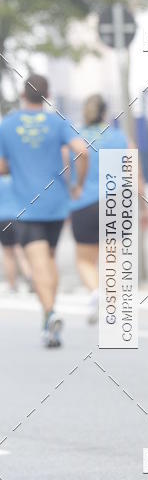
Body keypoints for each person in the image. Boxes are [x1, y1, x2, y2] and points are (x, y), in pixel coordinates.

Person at [0, 75, 89, 347]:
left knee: (39, 263)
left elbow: (2, 167)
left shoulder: (8, 125)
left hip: (25, 206)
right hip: (57, 205)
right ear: (47, 95)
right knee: (48, 260)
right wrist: (77, 185)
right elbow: (83, 152)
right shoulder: (58, 122)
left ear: (22, 94)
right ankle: (48, 320)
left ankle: (50, 313)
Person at [70, 94, 129, 323]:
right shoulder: (118, 137)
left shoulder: (76, 138)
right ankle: (112, 307)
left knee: (85, 259)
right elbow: (131, 171)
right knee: (111, 255)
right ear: (105, 113)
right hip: (114, 201)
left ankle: (95, 292)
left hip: (83, 202)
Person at [0, 174, 31, 291]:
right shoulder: (18, 178)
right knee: (21, 251)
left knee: (8, 254)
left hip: (2, 218)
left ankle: (12, 285)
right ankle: (30, 277)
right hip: (19, 217)